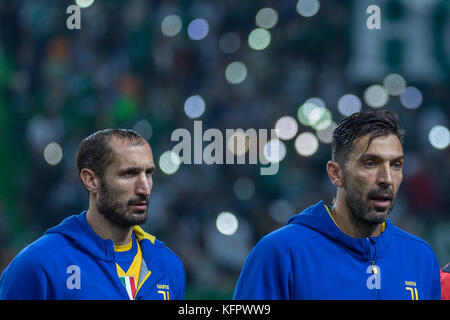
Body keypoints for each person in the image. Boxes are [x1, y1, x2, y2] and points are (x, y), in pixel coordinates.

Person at [233, 110, 441, 300]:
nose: (387, 178)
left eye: (396, 165)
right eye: (370, 163)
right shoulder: (281, 253)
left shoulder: (421, 257)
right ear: (336, 173)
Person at [0, 129, 185, 300]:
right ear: (91, 180)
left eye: (148, 173)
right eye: (129, 174)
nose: (144, 188)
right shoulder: (40, 264)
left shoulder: (169, 266)